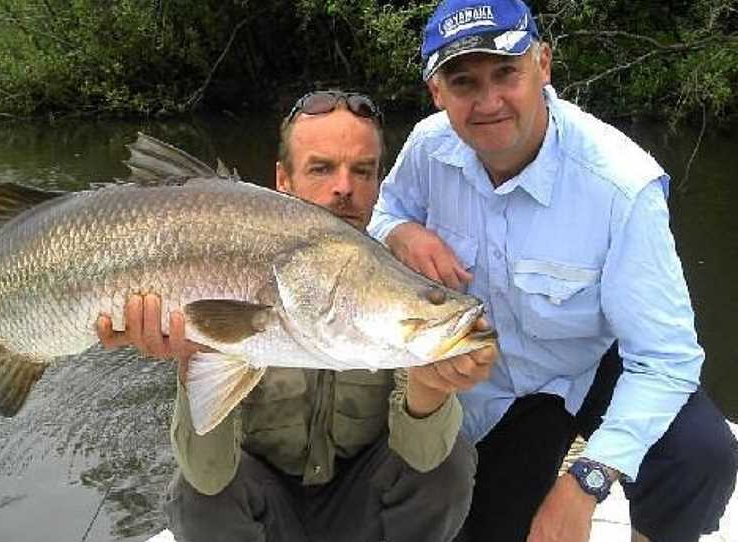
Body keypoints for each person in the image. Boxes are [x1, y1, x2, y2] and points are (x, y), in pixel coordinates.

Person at [367, 1, 738, 541]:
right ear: (437, 93)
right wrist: (403, 232)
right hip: (487, 382)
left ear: (543, 64)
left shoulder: (621, 185)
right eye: (464, 81)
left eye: (506, 73)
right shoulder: (427, 148)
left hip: (586, 357)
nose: (488, 101)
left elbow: (666, 359)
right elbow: (384, 216)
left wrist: (586, 482)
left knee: (699, 452)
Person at [96, 90, 498, 542]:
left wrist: (431, 384)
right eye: (322, 168)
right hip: (267, 505)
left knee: (451, 466)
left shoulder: (398, 280)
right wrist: (194, 362)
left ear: (378, 184)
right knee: (197, 497)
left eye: (362, 171)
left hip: (358, 502)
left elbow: (422, 463)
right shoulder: (227, 256)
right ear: (282, 180)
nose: (344, 187)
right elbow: (208, 477)